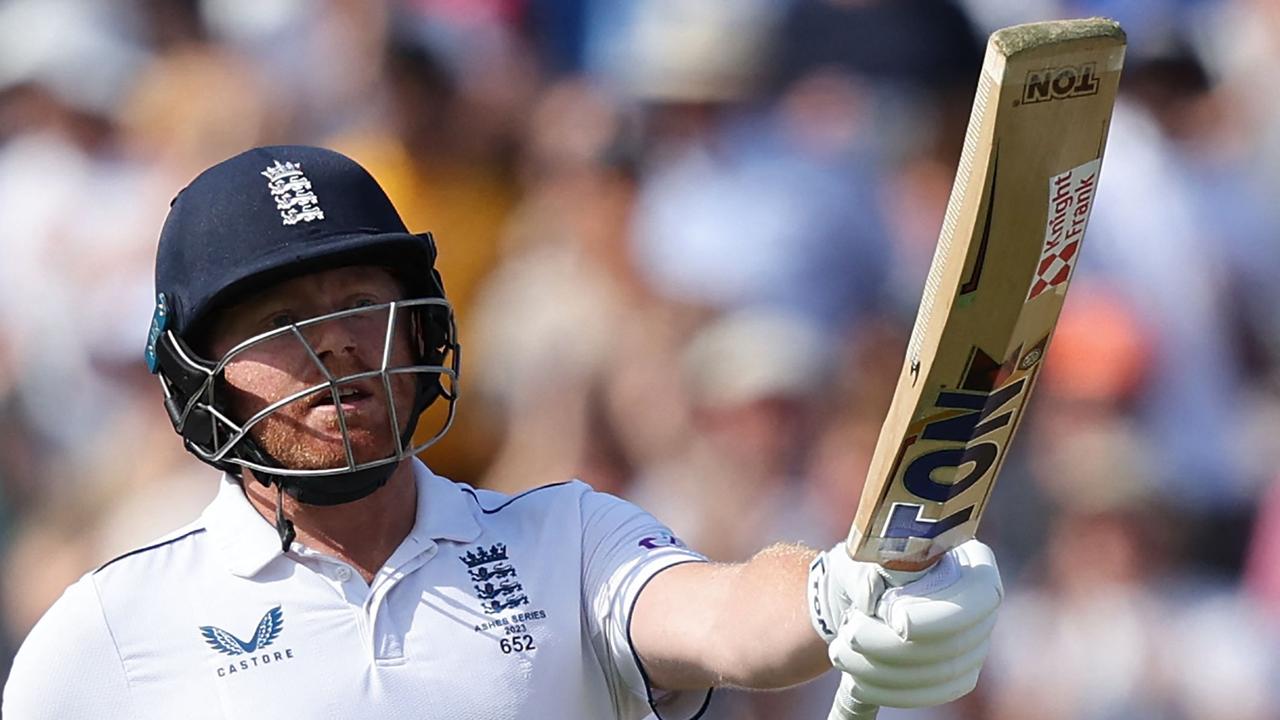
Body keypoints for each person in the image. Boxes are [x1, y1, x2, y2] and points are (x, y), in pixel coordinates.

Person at [2, 146, 1002, 719]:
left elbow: (732, 613)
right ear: (194, 375)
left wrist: (840, 592)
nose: (338, 348)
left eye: (359, 302)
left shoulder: (561, 540)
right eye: (276, 326)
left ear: (423, 327)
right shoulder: (106, 635)